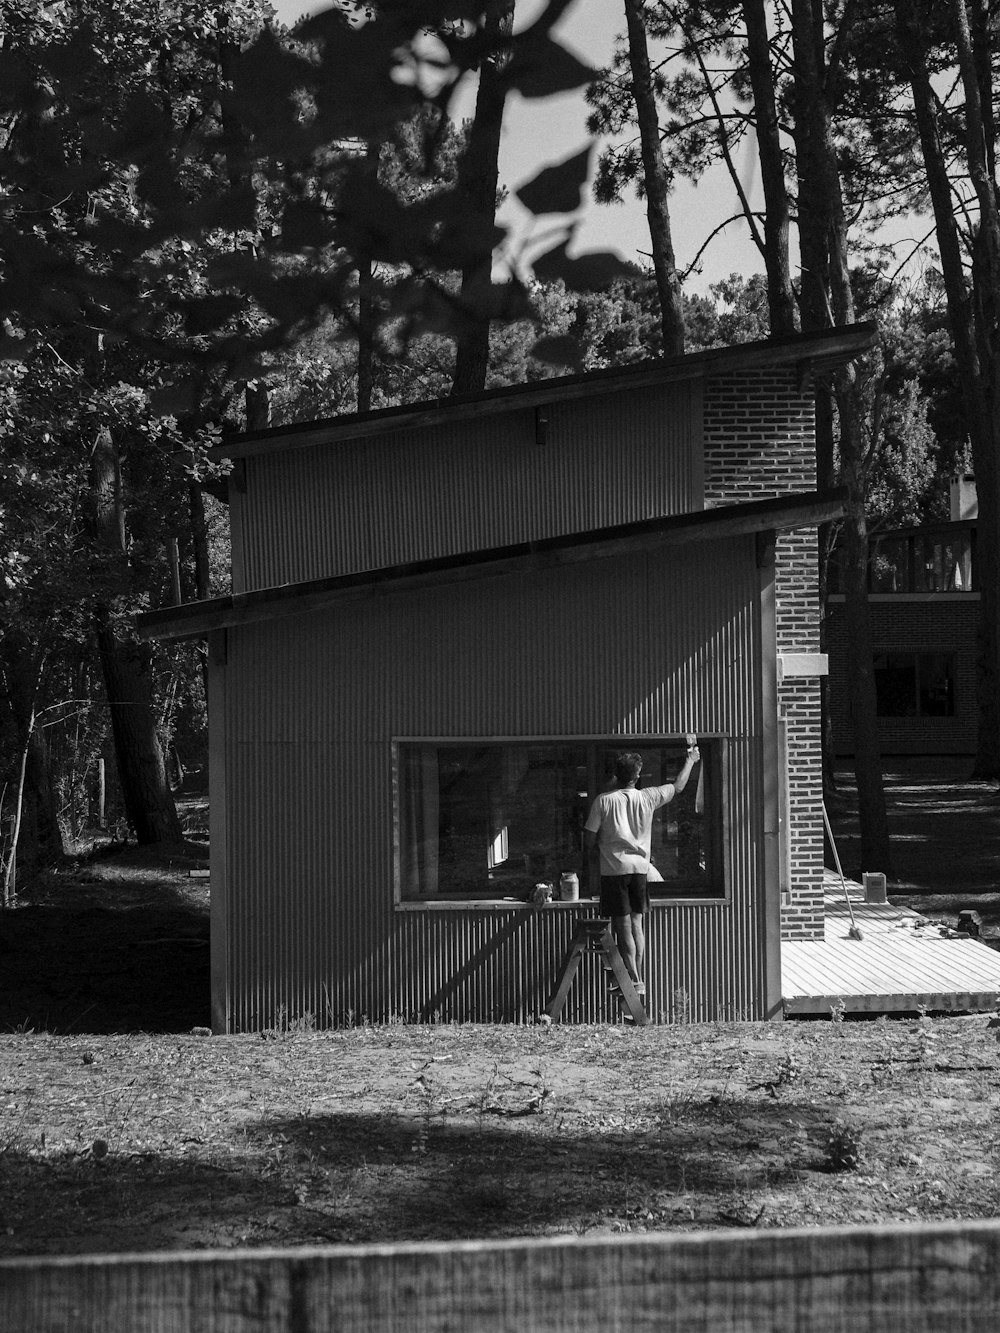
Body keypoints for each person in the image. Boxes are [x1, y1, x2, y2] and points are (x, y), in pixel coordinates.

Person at [583, 744, 700, 996]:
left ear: (615, 775)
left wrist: (592, 854)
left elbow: (589, 837)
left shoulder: (603, 801)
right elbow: (678, 787)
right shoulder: (648, 797)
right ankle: (638, 979)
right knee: (637, 924)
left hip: (614, 871)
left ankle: (633, 980)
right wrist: (690, 760)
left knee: (623, 926)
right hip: (640, 870)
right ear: (636, 776)